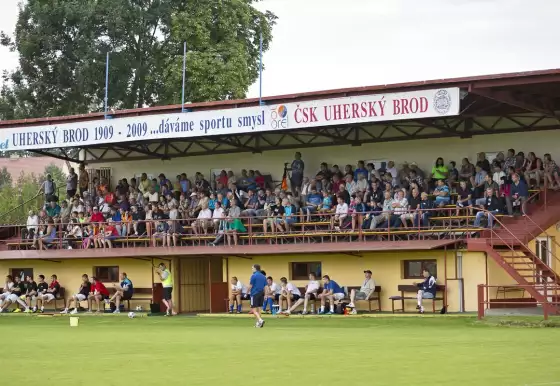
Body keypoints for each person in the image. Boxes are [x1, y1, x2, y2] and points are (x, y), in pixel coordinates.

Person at [245, 264, 267, 328]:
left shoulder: (253, 276)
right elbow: (265, 286)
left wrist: (246, 293)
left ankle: (260, 320)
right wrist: (265, 294)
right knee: (259, 309)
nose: (251, 269)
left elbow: (250, 285)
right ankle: (258, 324)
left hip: (254, 294)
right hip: (261, 294)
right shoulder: (263, 276)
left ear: (255, 268)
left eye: (252, 268)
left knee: (253, 310)